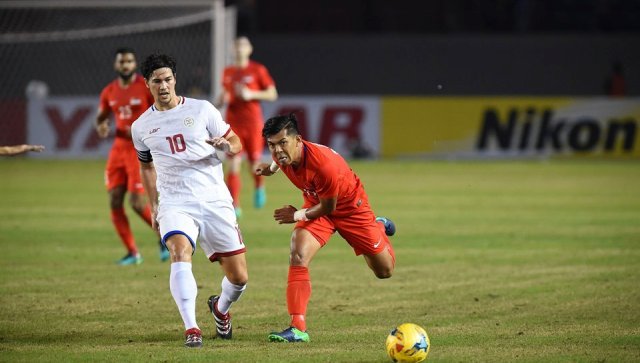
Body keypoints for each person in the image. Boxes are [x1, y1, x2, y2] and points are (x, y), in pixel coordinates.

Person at [132, 53, 249, 348]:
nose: (163, 86)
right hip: (175, 201)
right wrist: (155, 204)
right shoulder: (141, 127)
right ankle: (191, 328)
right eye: (156, 81)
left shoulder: (202, 110)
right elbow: (146, 167)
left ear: (175, 80)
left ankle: (220, 309)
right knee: (179, 251)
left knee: (239, 278)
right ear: (147, 84)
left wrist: (226, 145)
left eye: (168, 79)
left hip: (214, 199)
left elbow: (236, 142)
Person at [255, 113, 397, 343]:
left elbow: (329, 207)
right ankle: (297, 328)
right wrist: (270, 169)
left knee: (384, 271)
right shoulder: (285, 156)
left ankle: (378, 226)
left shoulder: (323, 165)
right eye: (271, 145)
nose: (277, 150)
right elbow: (281, 159)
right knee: (298, 252)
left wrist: (296, 215)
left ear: (298, 140)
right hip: (317, 204)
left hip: (350, 209)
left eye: (282, 143)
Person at [95, 47, 169, 265]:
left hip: (140, 149)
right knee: (114, 200)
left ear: (134, 64)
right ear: (116, 65)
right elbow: (100, 119)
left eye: (129, 61)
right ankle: (132, 252)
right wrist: (100, 126)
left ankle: (164, 238)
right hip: (118, 150)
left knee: (137, 202)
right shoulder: (109, 91)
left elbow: (161, 112)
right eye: (121, 61)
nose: (125, 65)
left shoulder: (145, 87)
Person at [215, 36, 278, 217]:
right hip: (233, 124)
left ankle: (259, 185)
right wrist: (221, 100)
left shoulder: (258, 70)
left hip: (252, 123)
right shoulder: (227, 72)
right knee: (233, 163)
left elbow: (272, 94)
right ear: (232, 50)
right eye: (236, 45)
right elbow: (225, 94)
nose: (239, 49)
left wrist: (251, 94)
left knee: (253, 164)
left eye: (243, 45)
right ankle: (234, 205)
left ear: (249, 49)